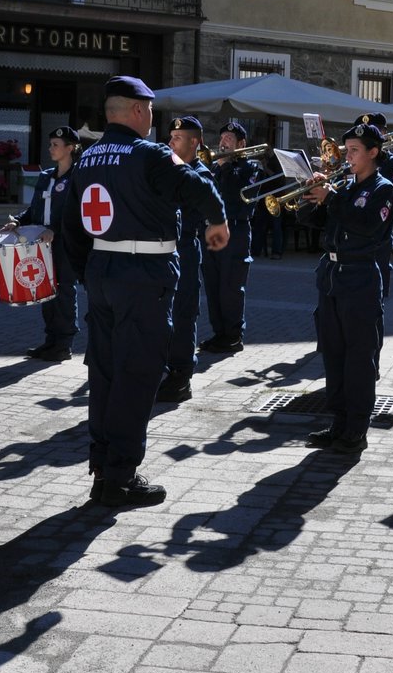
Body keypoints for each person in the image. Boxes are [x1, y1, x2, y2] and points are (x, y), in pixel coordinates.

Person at [59, 77, 228, 506]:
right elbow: (199, 187)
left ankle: (102, 465)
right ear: (137, 111)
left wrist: (90, 272)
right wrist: (217, 220)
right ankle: (119, 478)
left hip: (101, 271)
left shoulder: (87, 157)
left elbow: (70, 227)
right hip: (143, 275)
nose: (152, 118)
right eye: (150, 110)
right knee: (138, 375)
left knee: (105, 373)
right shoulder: (150, 155)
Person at [302, 121, 393, 456]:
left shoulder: (382, 189)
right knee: (334, 354)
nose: (348, 156)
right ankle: (339, 422)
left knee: (359, 357)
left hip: (359, 277)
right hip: (331, 276)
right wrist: (311, 194)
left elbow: (367, 227)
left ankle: (357, 428)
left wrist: (333, 197)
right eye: (347, 150)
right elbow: (310, 221)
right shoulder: (344, 187)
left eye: (355, 150)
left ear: (373, 152)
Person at [0, 126, 82, 362]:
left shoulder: (78, 177)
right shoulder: (46, 176)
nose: (51, 149)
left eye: (56, 145)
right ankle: (51, 341)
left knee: (64, 291)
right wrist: (17, 221)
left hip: (65, 244)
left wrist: (55, 230)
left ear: (70, 148)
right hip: (41, 244)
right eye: (50, 144)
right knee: (45, 292)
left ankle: (64, 344)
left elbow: (77, 213)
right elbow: (35, 209)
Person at [158, 116, 217, 403]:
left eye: (177, 138)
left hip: (185, 248)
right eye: (170, 137)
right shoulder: (168, 169)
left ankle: (181, 376)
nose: (170, 142)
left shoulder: (201, 174)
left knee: (183, 313)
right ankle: (166, 368)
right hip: (163, 248)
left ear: (194, 142)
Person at [200, 119, 262, 354]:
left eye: (229, 139)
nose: (223, 142)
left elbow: (239, 197)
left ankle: (234, 336)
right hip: (211, 232)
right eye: (222, 138)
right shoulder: (214, 167)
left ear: (241, 143)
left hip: (235, 231)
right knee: (213, 286)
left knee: (231, 287)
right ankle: (219, 334)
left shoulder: (251, 167)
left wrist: (226, 167)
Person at [359, 112, 393, 297]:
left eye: (374, 132)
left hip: (378, 236)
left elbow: (387, 198)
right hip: (353, 234)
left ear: (385, 134)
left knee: (373, 295)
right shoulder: (352, 161)